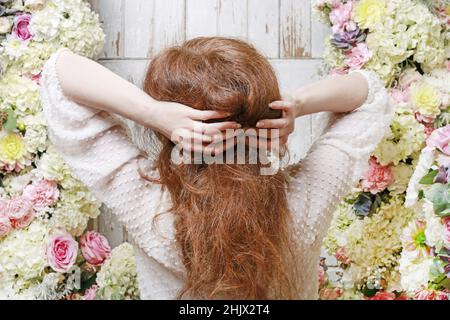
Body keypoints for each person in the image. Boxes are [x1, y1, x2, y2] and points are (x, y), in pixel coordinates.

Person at [40, 37, 393, 299]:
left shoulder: (147, 205)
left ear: (175, 132)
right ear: (265, 117)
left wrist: (152, 112)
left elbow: (59, 74)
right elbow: (370, 94)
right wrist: (295, 105)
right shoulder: (306, 202)